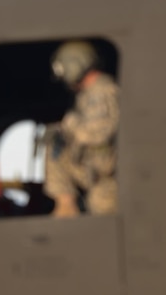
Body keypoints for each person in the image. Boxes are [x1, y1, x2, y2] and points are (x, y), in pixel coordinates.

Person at [43, 40, 119, 217]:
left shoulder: (103, 92)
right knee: (55, 144)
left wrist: (69, 123)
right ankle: (65, 205)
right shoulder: (89, 94)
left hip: (106, 176)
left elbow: (95, 135)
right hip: (94, 171)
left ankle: (67, 208)